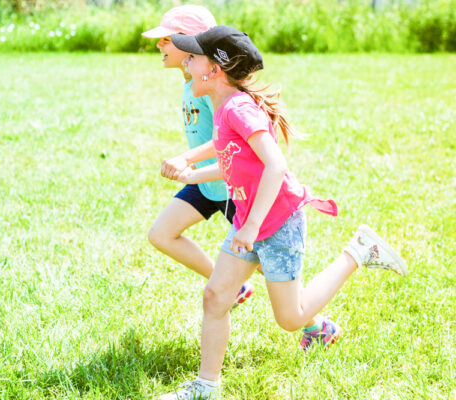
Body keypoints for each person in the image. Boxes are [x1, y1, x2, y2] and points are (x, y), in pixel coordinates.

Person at [157, 26, 408, 400]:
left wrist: (253, 225)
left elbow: (275, 166)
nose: (186, 65)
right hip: (250, 222)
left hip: (277, 224)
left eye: (192, 59)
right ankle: (206, 387)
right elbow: (235, 163)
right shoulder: (224, 108)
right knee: (215, 297)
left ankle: (359, 251)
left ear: (215, 70)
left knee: (291, 319)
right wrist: (192, 174)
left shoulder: (239, 109)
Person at [142, 6, 255, 307]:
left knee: (272, 266)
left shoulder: (211, 88)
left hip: (233, 188)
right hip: (206, 184)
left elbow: (231, 141)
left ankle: (314, 323)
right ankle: (234, 286)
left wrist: (187, 159)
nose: (159, 45)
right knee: (161, 234)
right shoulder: (191, 82)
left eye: (166, 39)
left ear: (190, 44)